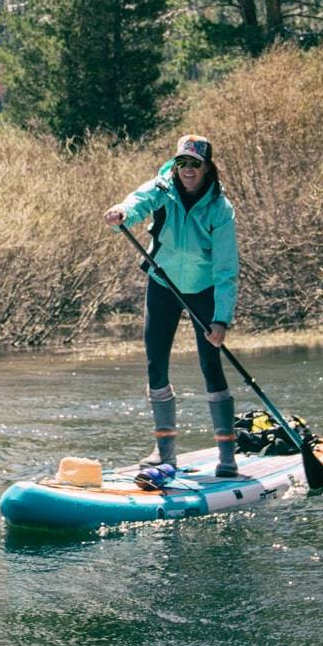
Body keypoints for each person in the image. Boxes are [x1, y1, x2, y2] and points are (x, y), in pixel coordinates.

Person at [103, 134, 240, 477]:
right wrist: (123, 212)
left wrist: (221, 320)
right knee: (155, 363)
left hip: (204, 290)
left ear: (208, 167)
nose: (188, 170)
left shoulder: (220, 210)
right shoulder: (162, 189)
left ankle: (227, 457)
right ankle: (165, 454)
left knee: (211, 365)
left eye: (195, 164)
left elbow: (226, 270)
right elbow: (139, 201)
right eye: (182, 163)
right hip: (163, 283)